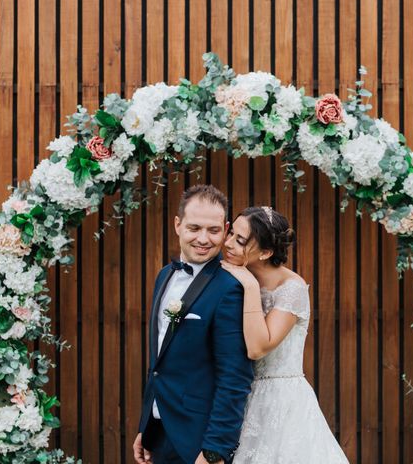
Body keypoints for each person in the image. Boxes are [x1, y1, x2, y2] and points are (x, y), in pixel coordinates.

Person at [133, 185, 254, 464]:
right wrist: (146, 426)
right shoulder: (164, 276)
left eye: (213, 230)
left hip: (198, 442)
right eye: (194, 228)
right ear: (178, 225)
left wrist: (214, 451)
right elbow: (160, 363)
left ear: (225, 229)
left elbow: (234, 377)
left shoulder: (230, 288)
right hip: (159, 434)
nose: (203, 239)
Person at [220, 206, 350, 464]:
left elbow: (258, 347)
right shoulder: (230, 276)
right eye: (231, 233)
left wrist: (248, 285)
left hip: (282, 401)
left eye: (240, 240)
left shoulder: (292, 288)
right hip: (238, 396)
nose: (228, 243)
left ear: (266, 252)